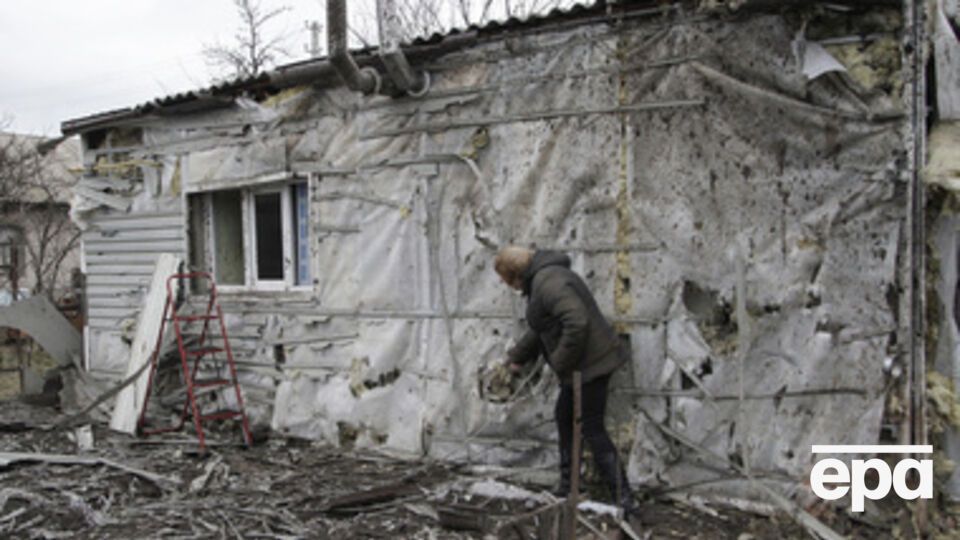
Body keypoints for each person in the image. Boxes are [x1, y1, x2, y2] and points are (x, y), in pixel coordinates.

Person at [495, 246, 635, 515]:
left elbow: (577, 322)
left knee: (592, 428)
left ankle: (624, 497)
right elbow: (541, 328)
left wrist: (559, 362)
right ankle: (569, 485)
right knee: (565, 417)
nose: (508, 287)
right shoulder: (546, 279)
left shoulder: (549, 284)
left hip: (591, 365)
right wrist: (516, 358)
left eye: (506, 281)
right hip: (585, 364)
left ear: (515, 276)